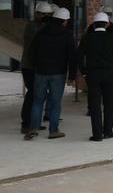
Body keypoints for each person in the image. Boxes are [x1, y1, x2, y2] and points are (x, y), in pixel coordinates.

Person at [25, 7, 77, 140]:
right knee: (55, 102)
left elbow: (31, 52)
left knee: (37, 101)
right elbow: (72, 56)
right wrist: (71, 76)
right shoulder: (67, 35)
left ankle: (33, 128)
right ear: (65, 21)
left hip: (41, 72)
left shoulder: (41, 32)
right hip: (58, 73)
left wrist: (37, 66)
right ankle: (53, 130)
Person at [78, 12, 113, 142]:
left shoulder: (87, 38)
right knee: (109, 104)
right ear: (107, 24)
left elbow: (79, 56)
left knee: (95, 105)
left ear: (93, 24)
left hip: (92, 75)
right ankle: (108, 131)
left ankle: (97, 135)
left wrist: (84, 72)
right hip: (109, 74)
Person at [19, 1, 53, 134]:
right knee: (32, 94)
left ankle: (34, 122)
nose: (45, 17)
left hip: (39, 66)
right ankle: (26, 123)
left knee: (39, 95)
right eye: (44, 14)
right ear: (37, 14)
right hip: (29, 66)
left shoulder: (43, 26)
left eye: (48, 15)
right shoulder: (32, 27)